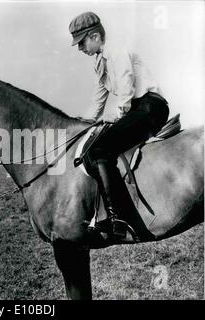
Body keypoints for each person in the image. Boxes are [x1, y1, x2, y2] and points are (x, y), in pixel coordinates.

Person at [69, 12, 169, 239]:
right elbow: (98, 98)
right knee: (93, 145)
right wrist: (82, 124)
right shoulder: (99, 62)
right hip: (136, 109)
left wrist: (119, 113)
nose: (80, 48)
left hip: (149, 107)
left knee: (99, 149)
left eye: (82, 42)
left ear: (95, 36)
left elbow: (126, 82)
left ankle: (120, 219)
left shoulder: (115, 50)